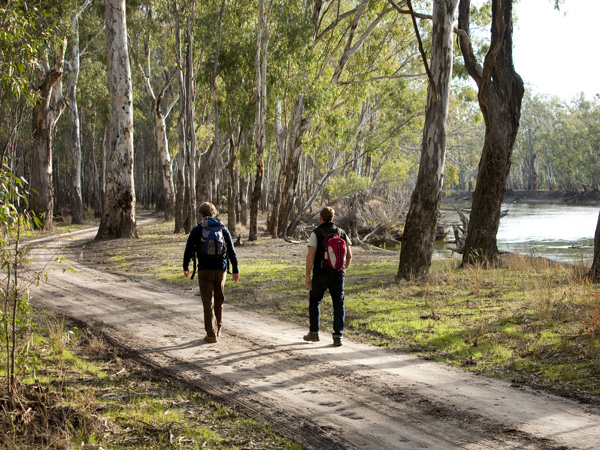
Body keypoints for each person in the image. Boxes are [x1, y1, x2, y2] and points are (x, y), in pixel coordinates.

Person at [183, 202, 239, 343]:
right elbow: (232, 251)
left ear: (201, 215)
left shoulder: (197, 230)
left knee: (208, 302)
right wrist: (236, 270)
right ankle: (219, 328)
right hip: (221, 269)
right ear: (214, 213)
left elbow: (188, 250)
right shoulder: (222, 229)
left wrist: (186, 266)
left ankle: (211, 333)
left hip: (204, 270)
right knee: (219, 299)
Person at [304, 206, 352, 347]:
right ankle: (338, 336)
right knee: (338, 304)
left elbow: (311, 255)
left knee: (315, 301)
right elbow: (349, 256)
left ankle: (314, 333)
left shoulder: (316, 233)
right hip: (338, 274)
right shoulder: (342, 233)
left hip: (320, 274)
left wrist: (308, 275)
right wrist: (343, 270)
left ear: (321, 218)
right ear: (333, 218)